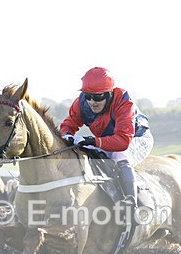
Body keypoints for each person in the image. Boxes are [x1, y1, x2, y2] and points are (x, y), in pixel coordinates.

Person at [59, 67, 153, 207]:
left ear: (109, 94)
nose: (92, 102)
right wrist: (67, 135)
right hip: (108, 140)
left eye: (98, 97)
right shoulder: (81, 103)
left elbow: (123, 141)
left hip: (136, 139)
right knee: (83, 151)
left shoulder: (123, 102)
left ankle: (131, 203)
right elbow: (68, 124)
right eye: (88, 96)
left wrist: (92, 140)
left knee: (119, 155)